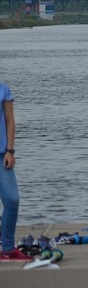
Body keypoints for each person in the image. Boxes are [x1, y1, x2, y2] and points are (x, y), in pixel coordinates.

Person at [1, 81, 30, 262]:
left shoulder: (3, 90)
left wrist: (10, 151)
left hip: (1, 155)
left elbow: (10, 121)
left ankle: (7, 249)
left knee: (12, 200)